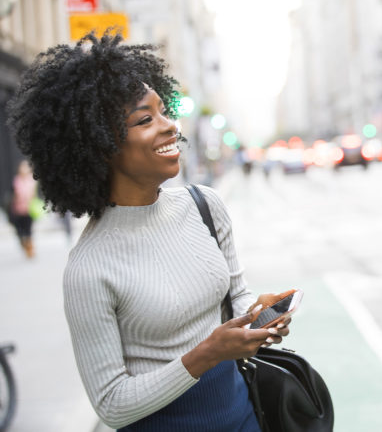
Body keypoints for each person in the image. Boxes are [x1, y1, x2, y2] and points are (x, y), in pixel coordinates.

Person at [8, 30, 291, 431]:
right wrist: (207, 353)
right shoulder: (89, 268)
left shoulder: (205, 205)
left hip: (246, 417)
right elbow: (112, 404)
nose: (169, 126)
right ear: (101, 146)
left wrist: (256, 314)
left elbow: (235, 293)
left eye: (164, 111)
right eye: (145, 119)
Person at [9, 160, 37, 258]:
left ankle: (30, 249)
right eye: (22, 167)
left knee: (28, 230)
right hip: (17, 209)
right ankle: (24, 243)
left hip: (29, 209)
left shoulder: (32, 180)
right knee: (20, 231)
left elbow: (34, 195)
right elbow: (12, 194)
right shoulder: (16, 180)